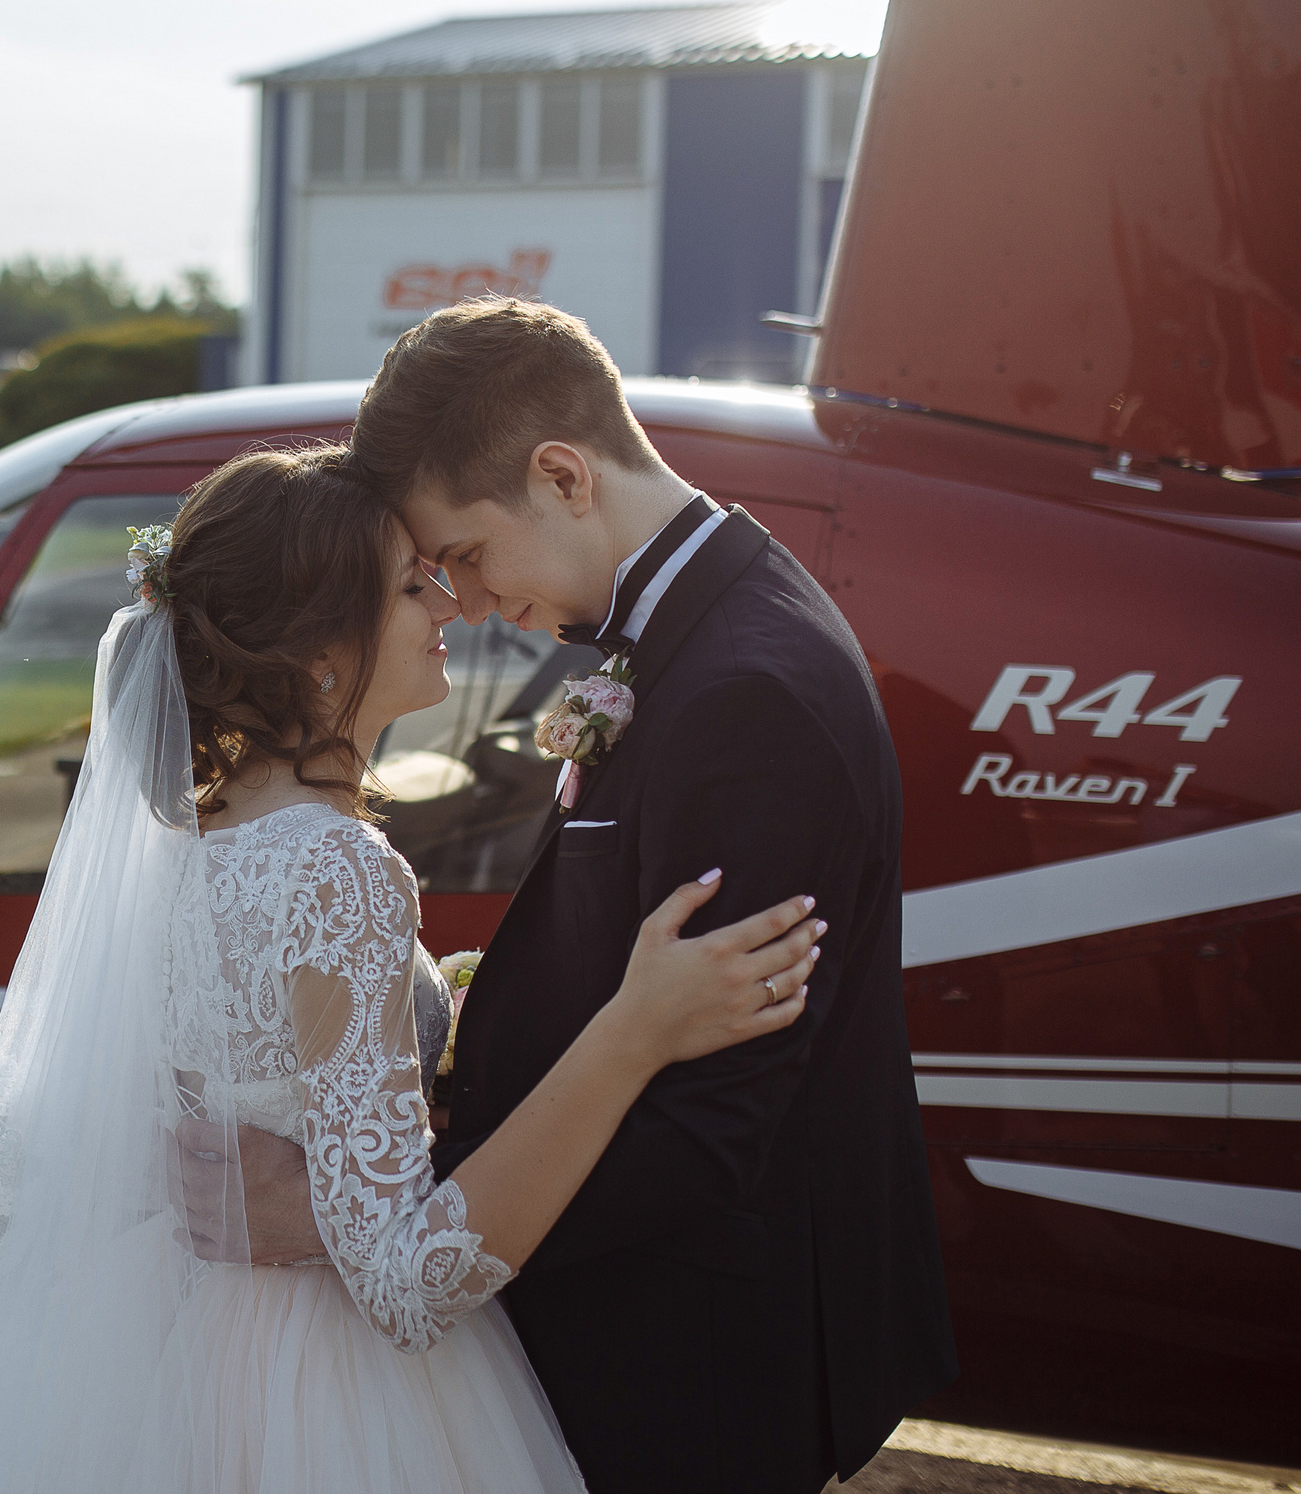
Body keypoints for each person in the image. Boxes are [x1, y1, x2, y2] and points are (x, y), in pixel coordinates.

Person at [0, 445, 824, 1494]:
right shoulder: (334, 870)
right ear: (319, 658)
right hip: (320, 1391)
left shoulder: (179, 851)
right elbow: (406, 1284)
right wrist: (633, 1032)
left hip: (179, 1346)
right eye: (406, 583)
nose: (447, 599)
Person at [182, 299, 956, 1494]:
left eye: (467, 558)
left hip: (688, 1349)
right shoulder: (699, 633)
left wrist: (382, 1221)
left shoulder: (748, 690)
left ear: (561, 474)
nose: (470, 605)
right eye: (430, 580)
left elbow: (711, 1124)